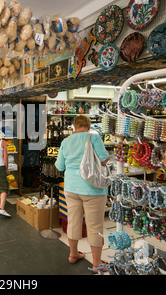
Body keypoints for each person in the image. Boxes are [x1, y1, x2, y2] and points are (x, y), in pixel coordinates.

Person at [54, 115, 110, 273]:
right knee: (94, 226)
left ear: (74, 126)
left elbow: (59, 166)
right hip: (93, 189)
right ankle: (97, 264)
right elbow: (104, 160)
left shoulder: (66, 141)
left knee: (73, 221)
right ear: (89, 126)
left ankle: (73, 254)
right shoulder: (94, 138)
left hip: (71, 188)